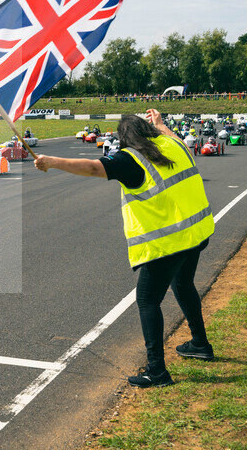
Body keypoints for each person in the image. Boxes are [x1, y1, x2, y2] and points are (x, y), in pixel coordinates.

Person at [34, 108, 215, 388]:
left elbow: (94, 167)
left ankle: (157, 371)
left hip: (168, 243)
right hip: (196, 234)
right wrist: (161, 123)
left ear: (124, 139)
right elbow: (168, 134)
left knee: (147, 301)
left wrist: (51, 161)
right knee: (183, 284)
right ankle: (200, 344)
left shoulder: (131, 159)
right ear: (149, 132)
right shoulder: (174, 143)